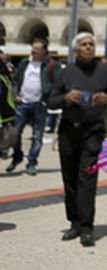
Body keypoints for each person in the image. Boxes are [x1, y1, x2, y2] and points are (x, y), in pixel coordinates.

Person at [48, 32, 107, 247]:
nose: (89, 47)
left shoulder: (105, 70)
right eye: (84, 44)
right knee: (70, 178)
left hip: (93, 132)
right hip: (69, 131)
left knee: (87, 178)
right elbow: (50, 101)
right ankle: (75, 222)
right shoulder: (66, 72)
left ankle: (87, 227)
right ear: (76, 49)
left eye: (91, 44)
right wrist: (65, 98)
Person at [6, 38, 61, 175]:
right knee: (15, 133)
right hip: (22, 103)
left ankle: (31, 162)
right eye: (33, 47)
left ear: (44, 51)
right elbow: (15, 80)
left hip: (39, 104)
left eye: (37, 48)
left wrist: (47, 98)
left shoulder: (52, 65)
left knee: (37, 136)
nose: (33, 50)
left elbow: (58, 83)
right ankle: (17, 156)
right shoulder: (25, 62)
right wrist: (15, 95)